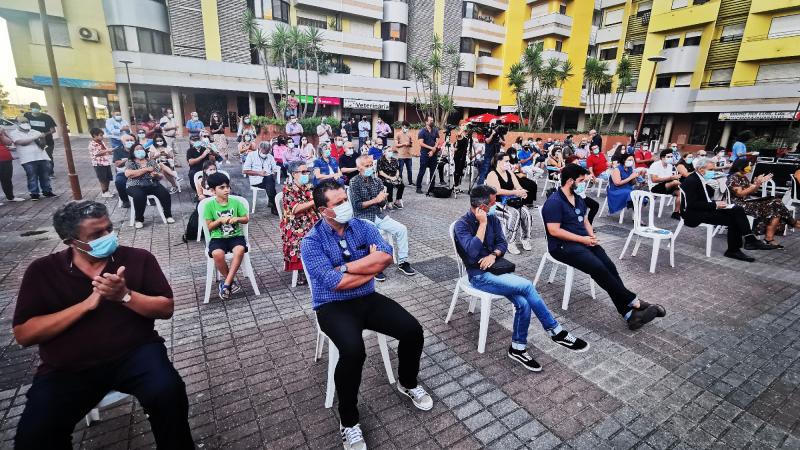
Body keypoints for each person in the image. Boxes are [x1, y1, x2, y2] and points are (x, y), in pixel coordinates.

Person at [12, 201, 194, 449]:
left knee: (168, 392)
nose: (107, 237)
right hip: (68, 368)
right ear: (71, 241)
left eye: (109, 229)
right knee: (36, 433)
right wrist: (85, 305)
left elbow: (165, 308)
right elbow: (24, 333)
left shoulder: (137, 259)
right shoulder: (43, 271)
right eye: (96, 234)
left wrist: (125, 296)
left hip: (135, 353)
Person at [301, 180, 433, 450]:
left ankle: (407, 382)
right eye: (337, 204)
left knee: (413, 330)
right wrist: (368, 268)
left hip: (367, 299)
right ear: (323, 211)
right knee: (353, 352)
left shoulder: (363, 227)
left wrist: (346, 268)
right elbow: (333, 284)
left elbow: (386, 256)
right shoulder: (311, 241)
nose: (344, 206)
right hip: (332, 306)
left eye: (344, 200)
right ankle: (348, 421)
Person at [454, 185, 588, 370]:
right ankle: (555, 330)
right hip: (478, 276)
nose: (497, 205)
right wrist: (482, 224)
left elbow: (502, 242)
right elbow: (472, 251)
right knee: (527, 286)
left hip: (497, 270)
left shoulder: (492, 218)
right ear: (482, 207)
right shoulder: (462, 225)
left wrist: (493, 254)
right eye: (493, 203)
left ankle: (517, 348)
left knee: (524, 303)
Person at [542, 164, 666, 330]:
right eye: (581, 181)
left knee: (609, 267)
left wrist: (590, 235)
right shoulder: (554, 202)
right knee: (598, 268)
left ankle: (630, 315)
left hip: (583, 241)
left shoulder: (577, 198)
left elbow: (584, 219)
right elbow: (554, 231)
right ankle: (633, 301)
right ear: (570, 181)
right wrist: (583, 239)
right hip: (562, 247)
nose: (584, 184)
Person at [680, 156, 774, 261]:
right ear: (700, 169)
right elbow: (692, 204)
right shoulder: (692, 180)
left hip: (704, 208)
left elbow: (704, 198)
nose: (713, 172)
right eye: (710, 170)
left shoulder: (700, 178)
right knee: (734, 219)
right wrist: (715, 205)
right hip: (693, 214)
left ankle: (747, 240)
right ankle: (737, 248)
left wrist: (717, 202)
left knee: (737, 209)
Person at [350, 155, 417, 280]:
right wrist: (376, 200)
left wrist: (383, 199)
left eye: (371, 165)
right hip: (363, 217)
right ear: (359, 168)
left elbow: (382, 204)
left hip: (378, 214)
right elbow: (357, 206)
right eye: (367, 166)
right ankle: (375, 266)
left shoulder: (377, 181)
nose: (370, 168)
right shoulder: (354, 182)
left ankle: (402, 261)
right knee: (376, 234)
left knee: (401, 229)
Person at [727, 158, 799, 248]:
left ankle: (770, 237)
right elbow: (740, 194)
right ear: (741, 166)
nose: (750, 167)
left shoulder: (743, 177)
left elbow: (753, 191)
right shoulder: (733, 178)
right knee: (776, 204)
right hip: (739, 204)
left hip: (747, 201)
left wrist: (758, 183)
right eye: (748, 165)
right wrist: (757, 183)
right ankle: (792, 223)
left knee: (776, 205)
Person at [203, 172, 250, 299]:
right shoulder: (209, 205)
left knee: (240, 249)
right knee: (217, 254)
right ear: (213, 190)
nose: (226, 190)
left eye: (227, 187)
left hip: (236, 236)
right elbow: (209, 226)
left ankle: (227, 283)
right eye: (222, 188)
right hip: (218, 237)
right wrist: (219, 221)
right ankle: (231, 282)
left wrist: (237, 219)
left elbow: (246, 219)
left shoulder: (235, 202)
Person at [485, 152, 533, 255]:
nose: (508, 163)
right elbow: (497, 191)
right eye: (506, 161)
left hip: (510, 202)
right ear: (498, 162)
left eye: (509, 161)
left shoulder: (509, 172)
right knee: (513, 214)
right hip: (495, 204)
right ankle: (510, 241)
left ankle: (525, 238)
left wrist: (522, 192)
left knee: (526, 213)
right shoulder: (492, 174)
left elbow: (517, 185)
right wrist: (516, 192)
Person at [280, 161, 319, 285]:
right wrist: (315, 201)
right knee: (305, 236)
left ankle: (320, 266)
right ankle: (302, 270)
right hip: (295, 224)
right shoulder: (288, 188)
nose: (306, 174)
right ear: (293, 174)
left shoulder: (309, 186)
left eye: (307, 171)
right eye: (303, 172)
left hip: (312, 219)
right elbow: (295, 209)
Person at [125, 143, 175, 228]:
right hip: (134, 185)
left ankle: (168, 215)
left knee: (165, 193)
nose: (140, 150)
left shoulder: (151, 161)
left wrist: (156, 175)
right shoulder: (130, 162)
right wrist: (146, 169)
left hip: (151, 183)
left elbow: (160, 176)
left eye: (141, 149)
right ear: (133, 152)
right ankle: (139, 220)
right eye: (137, 149)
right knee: (139, 196)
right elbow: (128, 174)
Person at [8, 115, 56, 201]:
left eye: (26, 122)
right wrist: (36, 137)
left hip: (41, 156)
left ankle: (47, 191)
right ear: (17, 123)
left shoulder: (35, 131)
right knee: (32, 176)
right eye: (22, 122)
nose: (25, 123)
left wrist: (42, 138)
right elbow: (22, 142)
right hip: (27, 159)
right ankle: (34, 194)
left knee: (45, 175)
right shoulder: (14, 133)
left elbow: (42, 145)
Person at [242, 141, 279, 214]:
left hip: (268, 179)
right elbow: (245, 171)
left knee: (269, 179)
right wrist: (259, 173)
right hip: (256, 180)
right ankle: (273, 203)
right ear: (259, 148)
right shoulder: (251, 155)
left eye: (267, 152)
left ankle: (272, 202)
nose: (265, 154)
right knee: (270, 182)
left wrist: (273, 174)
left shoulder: (270, 156)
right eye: (264, 152)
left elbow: (274, 169)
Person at [24, 102, 58, 178]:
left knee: (47, 156)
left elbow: (53, 130)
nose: (35, 109)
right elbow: (23, 126)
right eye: (33, 108)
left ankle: (50, 173)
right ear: (31, 109)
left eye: (37, 108)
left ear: (39, 109)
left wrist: (44, 134)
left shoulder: (47, 117)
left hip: (47, 141)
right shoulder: (27, 116)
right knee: (34, 157)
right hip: (33, 141)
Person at [648, 149, 682, 219]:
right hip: (655, 186)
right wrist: (671, 178)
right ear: (662, 158)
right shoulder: (655, 165)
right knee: (675, 182)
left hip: (667, 185)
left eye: (671, 157)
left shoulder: (670, 166)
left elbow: (670, 179)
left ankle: (676, 212)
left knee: (681, 193)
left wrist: (673, 179)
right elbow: (654, 180)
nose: (670, 158)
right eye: (668, 157)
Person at [416, 116, 442, 193]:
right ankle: (418, 187)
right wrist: (431, 148)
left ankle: (431, 188)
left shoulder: (435, 130)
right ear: (426, 122)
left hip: (433, 154)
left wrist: (433, 150)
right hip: (424, 154)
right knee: (422, 171)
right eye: (431, 121)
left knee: (433, 172)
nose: (432, 122)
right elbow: (421, 143)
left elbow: (437, 141)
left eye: (433, 120)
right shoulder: (422, 131)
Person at [88, 128, 115, 198]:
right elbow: (97, 153)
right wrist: (107, 150)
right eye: (100, 135)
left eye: (102, 135)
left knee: (108, 178)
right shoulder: (92, 144)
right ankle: (104, 192)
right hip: (99, 164)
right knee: (102, 179)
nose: (102, 137)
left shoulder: (101, 142)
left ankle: (107, 191)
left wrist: (110, 151)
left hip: (106, 163)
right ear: (94, 135)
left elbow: (105, 150)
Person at [0, 128, 24, 204]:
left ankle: (10, 197)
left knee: (6, 179)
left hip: (5, 157)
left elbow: (9, 142)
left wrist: (2, 134)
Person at [113, 134, 135, 208]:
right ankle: (125, 201)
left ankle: (149, 197)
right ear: (122, 142)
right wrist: (128, 158)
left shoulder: (138, 149)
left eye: (131, 140)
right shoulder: (117, 151)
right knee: (119, 181)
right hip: (123, 172)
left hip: (137, 171)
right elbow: (118, 164)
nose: (129, 142)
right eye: (127, 140)